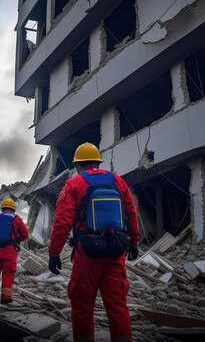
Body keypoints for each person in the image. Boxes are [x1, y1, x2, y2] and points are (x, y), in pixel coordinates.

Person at [48, 143, 140, 342]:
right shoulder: (117, 181)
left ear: (78, 165)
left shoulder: (74, 184)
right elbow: (132, 212)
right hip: (116, 251)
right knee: (117, 306)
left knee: (82, 305)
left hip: (87, 253)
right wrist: (134, 241)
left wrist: (54, 253)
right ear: (98, 161)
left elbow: (62, 222)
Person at [0, 198, 29, 305]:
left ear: (3, 208)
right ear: (13, 209)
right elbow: (25, 234)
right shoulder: (17, 219)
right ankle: (5, 298)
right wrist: (16, 240)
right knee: (8, 274)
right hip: (9, 251)